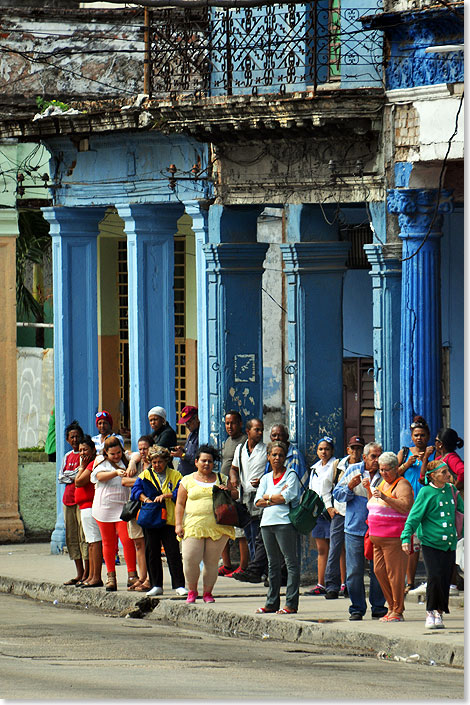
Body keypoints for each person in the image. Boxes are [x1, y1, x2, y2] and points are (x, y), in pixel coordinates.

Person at [233, 423, 307, 584]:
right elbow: (261, 498)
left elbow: (288, 493)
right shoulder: (271, 456)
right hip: (270, 512)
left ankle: (278, 577)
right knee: (263, 541)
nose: (277, 438)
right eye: (273, 436)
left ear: (286, 436)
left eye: (280, 435)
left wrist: (269, 496)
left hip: (288, 512)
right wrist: (272, 496)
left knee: (285, 550)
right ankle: (260, 572)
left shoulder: (293, 455)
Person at [401, 459, 464, 629]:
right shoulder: (426, 492)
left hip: (450, 543)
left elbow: (462, 514)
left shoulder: (452, 491)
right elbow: (414, 516)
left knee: (445, 580)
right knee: (434, 576)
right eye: (443, 472)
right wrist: (406, 536)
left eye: (447, 471)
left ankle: (440, 613)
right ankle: (430, 611)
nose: (447, 475)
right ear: (433, 476)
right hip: (431, 543)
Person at [333, 442, 387, 621]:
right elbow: (337, 494)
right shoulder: (353, 470)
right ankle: (357, 607)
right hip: (355, 528)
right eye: (373, 456)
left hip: (378, 528)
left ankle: (378, 606)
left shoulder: (384, 473)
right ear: (364, 458)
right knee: (354, 570)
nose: (377, 460)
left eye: (379, 456)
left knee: (378, 569)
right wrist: (350, 487)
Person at [175, 445, 235, 604]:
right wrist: (178, 525)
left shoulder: (222, 478)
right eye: (203, 461)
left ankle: (208, 593)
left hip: (218, 527)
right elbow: (180, 504)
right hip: (193, 526)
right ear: (196, 462)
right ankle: (192, 591)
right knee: (189, 559)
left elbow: (235, 494)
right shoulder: (186, 480)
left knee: (211, 562)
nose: (207, 464)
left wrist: (227, 490)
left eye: (210, 461)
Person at [130, 445, 187, 597]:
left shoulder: (175, 475)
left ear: (166, 461)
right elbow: (135, 492)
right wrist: (146, 499)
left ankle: (179, 585)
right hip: (151, 519)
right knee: (152, 552)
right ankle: (156, 585)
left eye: (160, 462)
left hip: (169, 520)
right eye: (154, 462)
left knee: (173, 553)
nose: (157, 465)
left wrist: (166, 496)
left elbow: (180, 492)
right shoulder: (145, 475)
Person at [254, 441, 301, 614]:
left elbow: (287, 498)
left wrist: (268, 498)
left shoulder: (291, 475)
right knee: (272, 564)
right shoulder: (266, 478)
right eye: (274, 455)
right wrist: (274, 497)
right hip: (267, 523)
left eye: (281, 455)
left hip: (284, 522)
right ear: (268, 457)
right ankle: (271, 602)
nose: (277, 458)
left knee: (290, 562)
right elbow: (257, 501)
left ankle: (291, 603)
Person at [367, 452, 414, 622]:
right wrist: (368, 489)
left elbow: (405, 507)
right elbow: (374, 504)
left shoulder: (402, 484)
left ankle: (398, 610)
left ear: (396, 468)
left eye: (387, 470)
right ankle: (391, 606)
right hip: (377, 538)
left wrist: (386, 497)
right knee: (379, 571)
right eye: (381, 470)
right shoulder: (382, 483)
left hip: (394, 538)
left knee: (395, 574)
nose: (383, 473)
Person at [91, 436, 137, 591]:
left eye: (118, 452)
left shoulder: (127, 458)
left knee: (127, 540)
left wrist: (130, 463)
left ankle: (132, 575)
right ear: (106, 453)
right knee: (108, 543)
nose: (116, 456)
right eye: (112, 454)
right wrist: (116, 473)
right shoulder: (101, 462)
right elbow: (99, 477)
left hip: (123, 508)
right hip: (104, 508)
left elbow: (137, 455)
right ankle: (111, 577)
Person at [320, 435, 365, 599]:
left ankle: (348, 585)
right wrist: (329, 507)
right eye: (353, 448)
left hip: (358, 514)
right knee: (335, 549)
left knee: (354, 552)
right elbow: (325, 487)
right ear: (348, 449)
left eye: (359, 449)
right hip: (340, 513)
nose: (356, 452)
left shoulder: (365, 468)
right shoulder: (338, 466)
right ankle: (331, 585)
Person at [397, 415, 434, 595]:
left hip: (428, 504)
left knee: (428, 543)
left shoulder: (433, 453)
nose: (419, 438)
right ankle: (409, 583)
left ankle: (431, 580)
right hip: (408, 504)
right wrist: (406, 464)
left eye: (422, 435)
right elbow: (392, 475)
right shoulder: (404, 453)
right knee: (411, 545)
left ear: (427, 436)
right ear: (411, 436)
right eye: (416, 435)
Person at [230, 418, 267, 574]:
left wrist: (263, 480)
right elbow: (233, 468)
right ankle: (254, 566)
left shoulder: (265, 449)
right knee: (249, 534)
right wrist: (233, 478)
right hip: (244, 496)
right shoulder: (240, 449)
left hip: (259, 495)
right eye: (256, 429)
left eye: (261, 430)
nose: (259, 433)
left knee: (260, 535)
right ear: (248, 431)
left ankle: (260, 568)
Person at [304, 436, 336, 596]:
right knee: (321, 549)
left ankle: (342, 583)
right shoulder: (314, 468)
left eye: (327, 449)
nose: (324, 452)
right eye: (321, 449)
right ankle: (321, 583)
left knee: (338, 549)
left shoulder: (336, 466)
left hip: (332, 512)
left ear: (332, 451)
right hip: (318, 513)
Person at [122, 435, 154, 592]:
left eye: (145, 448)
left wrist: (139, 480)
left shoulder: (156, 463)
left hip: (150, 508)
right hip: (135, 508)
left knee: (150, 544)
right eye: (140, 449)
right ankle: (142, 577)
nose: (142, 452)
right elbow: (124, 481)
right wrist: (133, 464)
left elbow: (153, 482)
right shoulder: (136, 463)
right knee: (138, 544)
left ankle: (150, 578)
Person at [58, 420, 88, 586]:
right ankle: (79, 573)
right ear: (68, 440)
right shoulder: (67, 457)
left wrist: (73, 476)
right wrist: (75, 474)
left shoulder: (85, 456)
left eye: (77, 436)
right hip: (68, 500)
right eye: (72, 437)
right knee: (72, 537)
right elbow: (61, 477)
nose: (75, 440)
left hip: (82, 500)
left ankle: (88, 573)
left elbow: (79, 477)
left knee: (84, 536)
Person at [218, 410, 247, 577]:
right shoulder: (228, 441)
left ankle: (243, 566)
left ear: (240, 424)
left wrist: (234, 487)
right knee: (223, 527)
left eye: (233, 423)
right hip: (224, 488)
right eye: (227, 423)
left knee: (240, 531)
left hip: (237, 490)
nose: (229, 426)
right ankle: (227, 564)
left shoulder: (243, 441)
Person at [74, 435, 103, 588]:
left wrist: (81, 467)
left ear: (92, 450)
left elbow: (79, 481)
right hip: (84, 507)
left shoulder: (92, 463)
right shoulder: (87, 464)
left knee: (95, 542)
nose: (82, 453)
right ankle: (91, 575)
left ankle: (96, 576)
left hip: (91, 506)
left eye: (85, 450)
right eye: (80, 451)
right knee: (90, 543)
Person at [433, 428, 464, 495]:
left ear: (440, 444)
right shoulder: (439, 459)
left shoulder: (452, 458)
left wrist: (453, 489)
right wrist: (425, 458)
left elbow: (463, 472)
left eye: (436, 440)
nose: (435, 443)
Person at [171, 406, 200, 476]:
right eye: (185, 423)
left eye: (189, 422)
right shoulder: (191, 434)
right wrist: (182, 450)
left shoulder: (200, 435)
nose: (187, 425)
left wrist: (182, 455)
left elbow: (197, 459)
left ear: (196, 418)